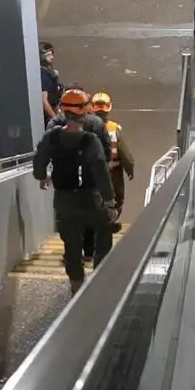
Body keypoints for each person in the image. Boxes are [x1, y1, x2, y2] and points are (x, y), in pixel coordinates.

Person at [34, 89, 117, 295]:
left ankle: (77, 283)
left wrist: (42, 176)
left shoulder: (52, 136)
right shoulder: (90, 140)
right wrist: (110, 202)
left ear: (62, 108)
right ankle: (100, 275)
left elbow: (39, 160)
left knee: (71, 243)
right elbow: (101, 172)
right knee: (104, 231)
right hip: (90, 198)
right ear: (85, 110)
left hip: (63, 200)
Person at [44, 85, 113, 261]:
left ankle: (74, 258)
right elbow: (105, 155)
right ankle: (90, 253)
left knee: (68, 222)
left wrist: (43, 174)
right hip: (91, 184)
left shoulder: (54, 125)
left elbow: (45, 152)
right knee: (93, 217)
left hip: (64, 186)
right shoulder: (96, 123)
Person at [90, 92, 136, 234]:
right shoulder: (114, 128)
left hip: (91, 171)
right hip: (113, 172)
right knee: (116, 198)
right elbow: (123, 152)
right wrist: (130, 168)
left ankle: (95, 226)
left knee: (94, 198)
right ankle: (109, 223)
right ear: (109, 108)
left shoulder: (85, 125)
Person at [40, 42, 62, 126]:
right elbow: (44, 101)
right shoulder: (43, 74)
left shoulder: (49, 72)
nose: (52, 57)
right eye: (48, 54)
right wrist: (55, 120)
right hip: (48, 118)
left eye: (52, 54)